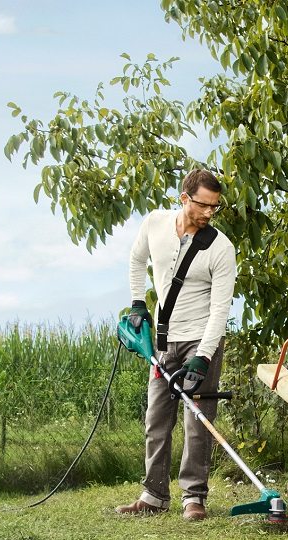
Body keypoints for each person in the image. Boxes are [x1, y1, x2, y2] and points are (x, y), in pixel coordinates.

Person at [116, 168, 237, 521]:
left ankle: (193, 498)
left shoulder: (221, 248)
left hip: (202, 341)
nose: (209, 213)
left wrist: (203, 356)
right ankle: (153, 495)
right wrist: (138, 301)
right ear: (185, 198)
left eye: (215, 207)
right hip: (163, 342)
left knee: (197, 421)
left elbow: (220, 309)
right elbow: (136, 259)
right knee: (156, 419)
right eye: (203, 206)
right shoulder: (154, 223)